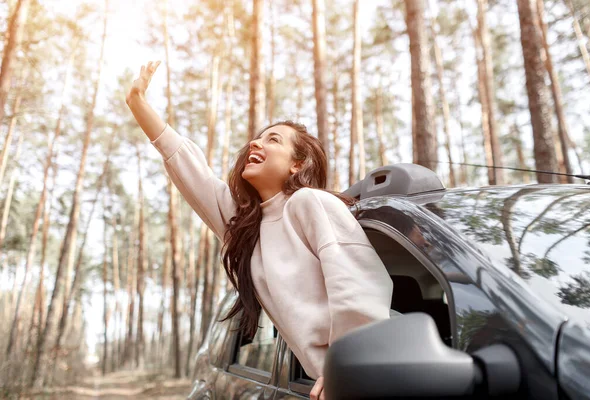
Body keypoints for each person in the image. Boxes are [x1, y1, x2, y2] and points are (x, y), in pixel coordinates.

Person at [126, 61, 393, 400]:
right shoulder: (246, 227)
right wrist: (137, 102)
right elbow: (188, 165)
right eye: (257, 138)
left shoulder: (309, 203)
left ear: (297, 163)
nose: (255, 143)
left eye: (273, 139)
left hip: (358, 380)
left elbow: (356, 281)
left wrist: (346, 366)